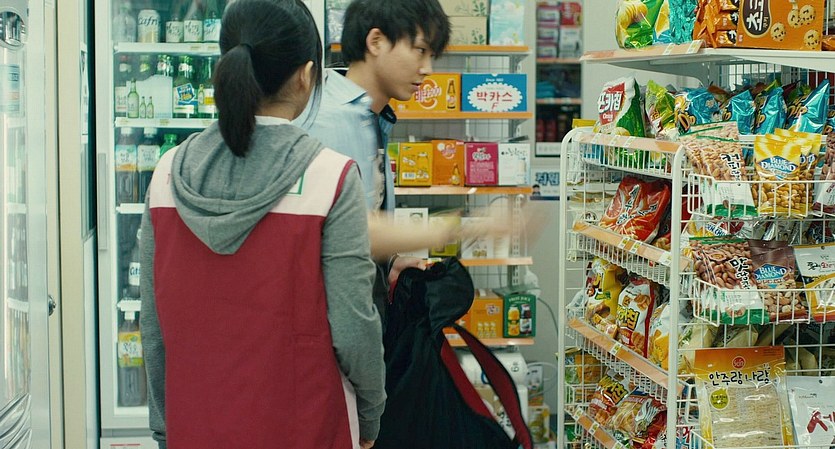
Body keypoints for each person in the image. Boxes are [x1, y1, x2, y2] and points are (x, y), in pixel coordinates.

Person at [139, 1, 385, 448]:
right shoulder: (330, 176)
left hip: (197, 424)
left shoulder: (168, 174)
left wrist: (165, 427)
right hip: (308, 425)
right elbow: (353, 325)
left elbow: (155, 329)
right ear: (306, 75)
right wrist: (370, 414)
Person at [299, 0, 455, 312]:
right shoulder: (329, 121)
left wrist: (388, 263)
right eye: (420, 50)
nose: (427, 69)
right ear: (376, 41)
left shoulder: (369, 114)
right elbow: (340, 236)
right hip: (330, 318)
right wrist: (474, 228)